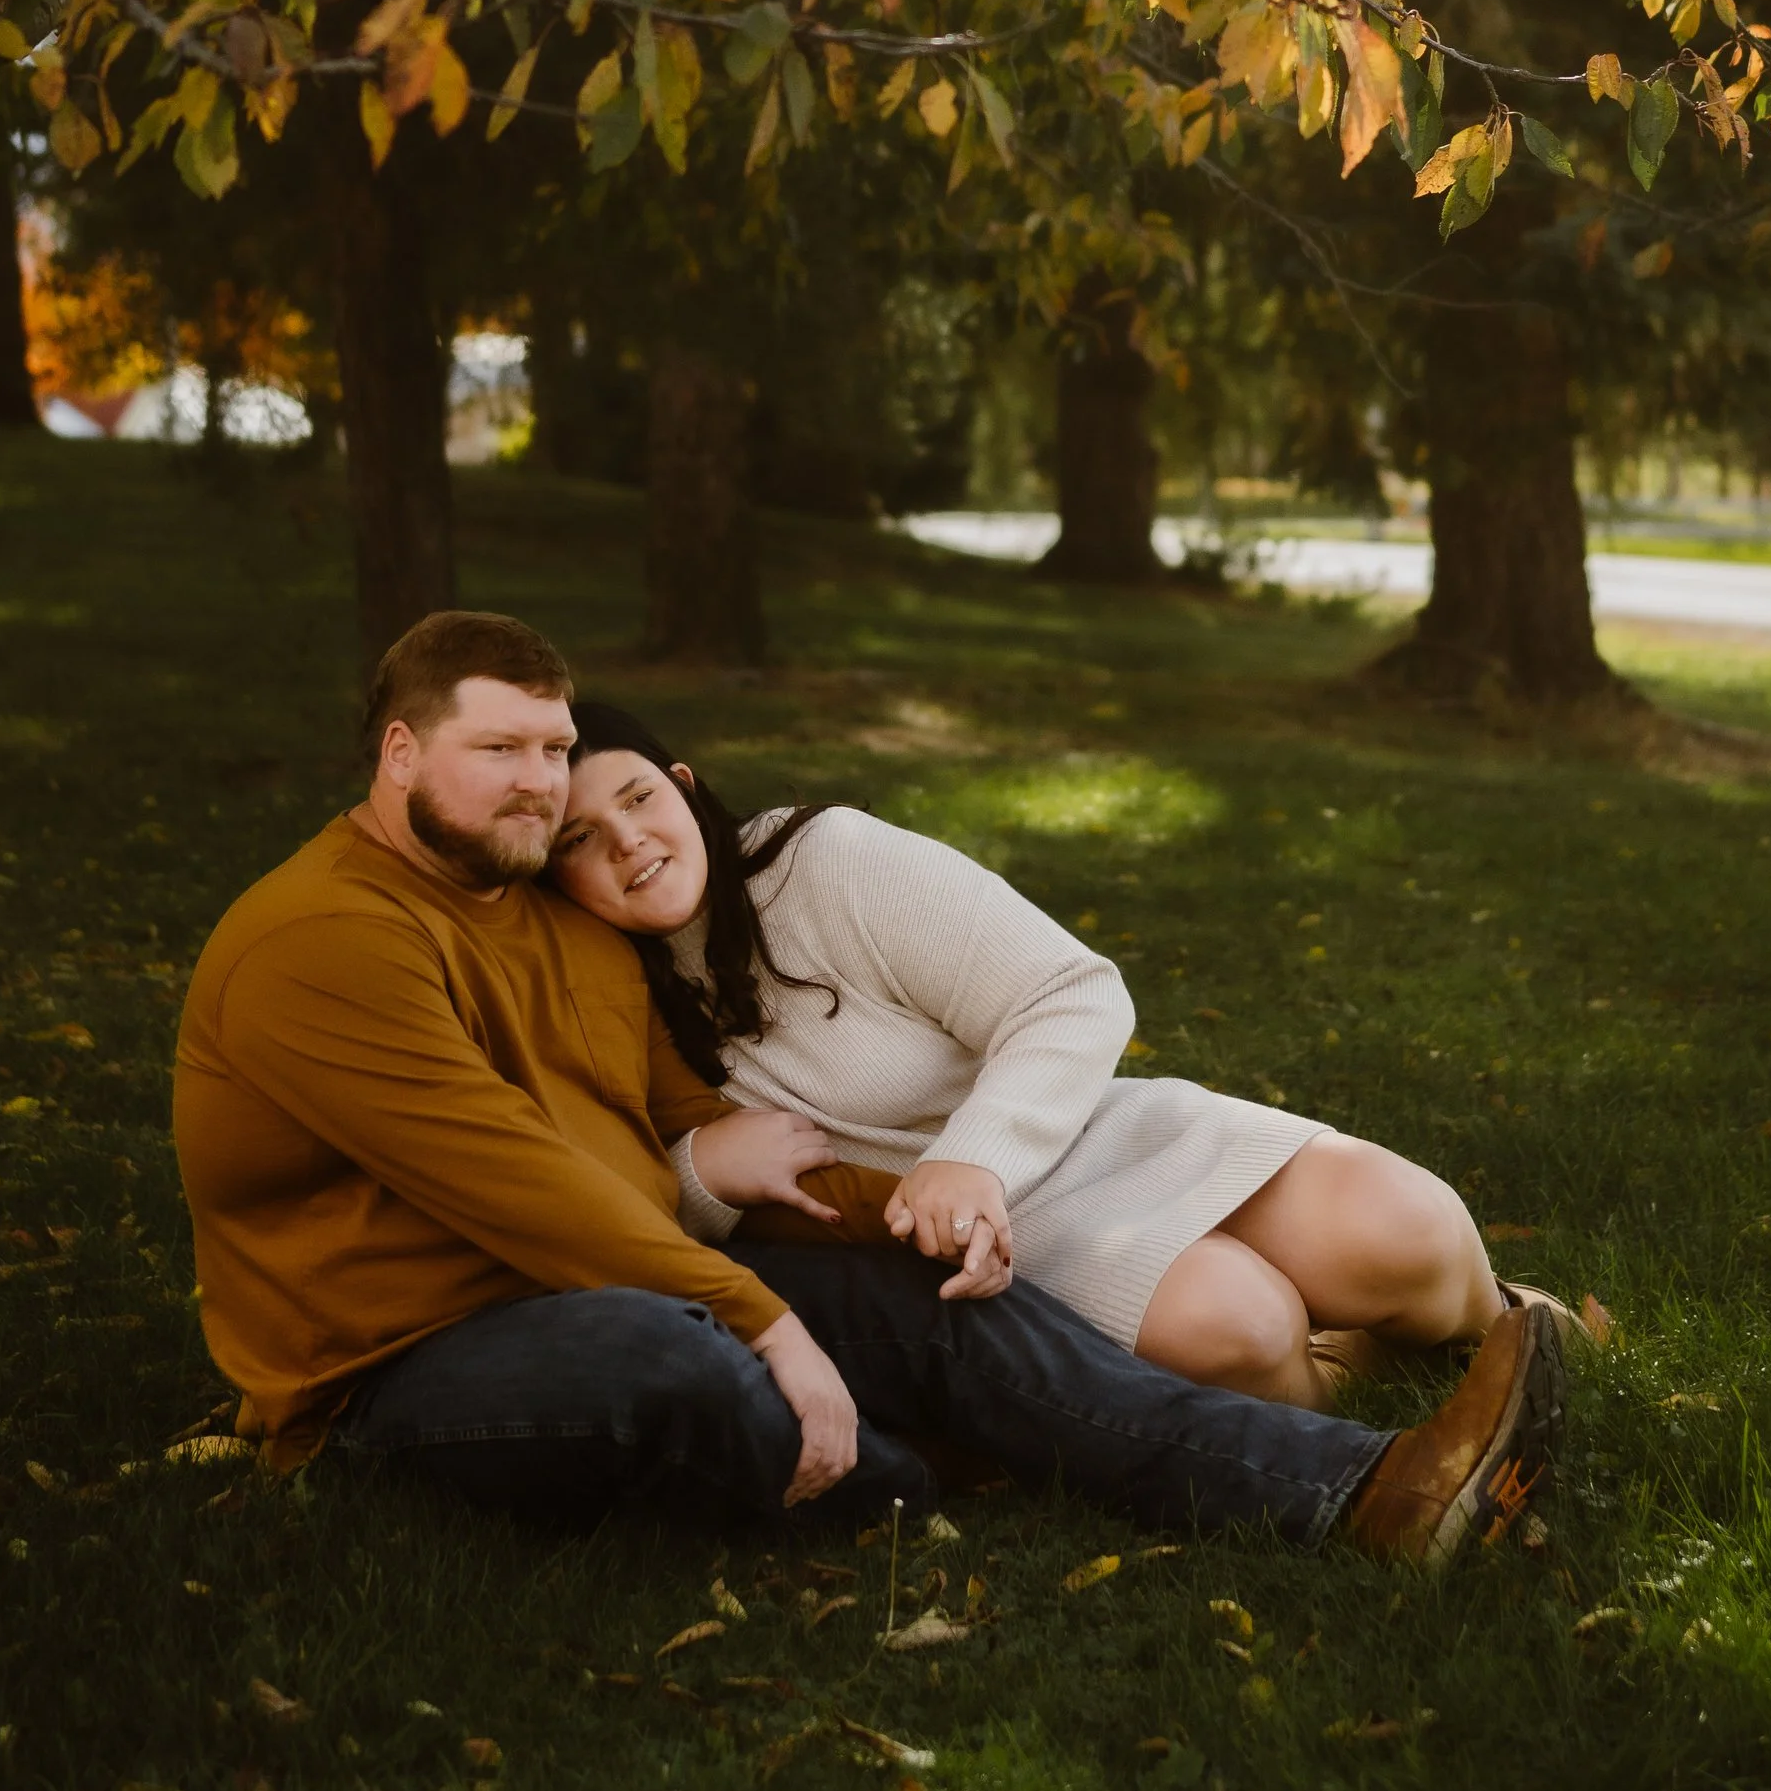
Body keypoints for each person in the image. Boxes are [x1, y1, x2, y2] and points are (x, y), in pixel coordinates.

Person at [172, 611, 1563, 1564]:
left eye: (556, 750)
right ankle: (917, 1474)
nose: (542, 789)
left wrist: (890, 1219)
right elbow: (514, 1184)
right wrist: (766, 1317)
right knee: (677, 1364)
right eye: (503, 753)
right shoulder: (325, 943)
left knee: (931, 1306)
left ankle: (1362, 1491)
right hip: (405, 1360)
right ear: (401, 753)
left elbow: (681, 1120)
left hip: (609, 1271)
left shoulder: (546, 910)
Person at [549, 699, 1571, 1411]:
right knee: (1240, 1333)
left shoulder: (823, 862)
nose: (627, 842)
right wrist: (705, 1177)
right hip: (995, 1250)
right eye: (579, 838)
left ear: (683, 786)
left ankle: (1497, 1321)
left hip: (1076, 1135)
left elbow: (1069, 990)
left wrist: (977, 1153)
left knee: (1409, 1230)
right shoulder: (593, 989)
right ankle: (1342, 1373)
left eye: (637, 798)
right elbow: (600, 1197)